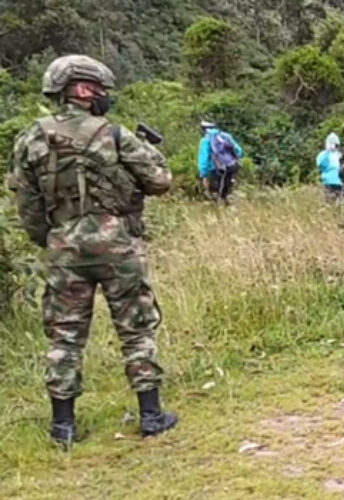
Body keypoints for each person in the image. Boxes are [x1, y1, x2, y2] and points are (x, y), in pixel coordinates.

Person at [7, 55, 177, 447]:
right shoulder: (113, 134)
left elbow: (28, 207)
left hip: (63, 246)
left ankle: (62, 427)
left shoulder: (30, 137)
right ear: (81, 89)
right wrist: (153, 153)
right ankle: (151, 415)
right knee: (136, 328)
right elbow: (160, 181)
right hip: (115, 243)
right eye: (99, 89)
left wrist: (54, 239)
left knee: (64, 336)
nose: (103, 96)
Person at [198, 121, 244, 204]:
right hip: (232, 166)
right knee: (226, 189)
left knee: (215, 193)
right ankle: (227, 204)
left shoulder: (205, 140)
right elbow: (239, 151)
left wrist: (203, 175)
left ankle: (218, 209)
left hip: (216, 169)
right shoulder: (226, 136)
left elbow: (203, 159)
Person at [317, 132, 343, 201]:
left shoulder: (339, 155)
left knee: (339, 203)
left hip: (339, 183)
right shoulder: (323, 154)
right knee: (329, 201)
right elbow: (320, 164)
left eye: (336, 145)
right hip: (328, 182)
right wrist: (327, 152)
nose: (334, 146)